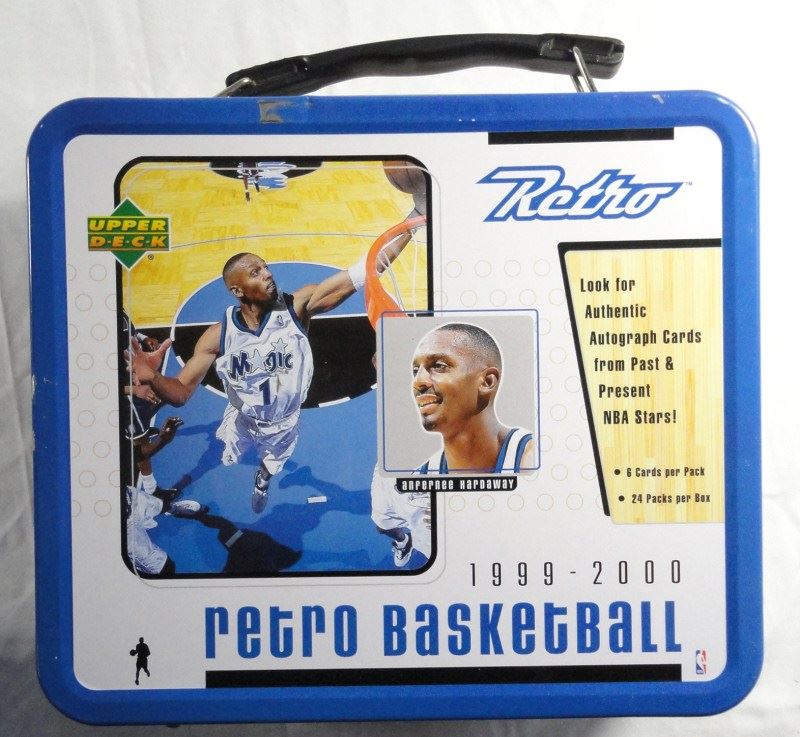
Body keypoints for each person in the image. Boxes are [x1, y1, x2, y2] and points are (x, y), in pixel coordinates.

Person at [130, 247, 404, 514]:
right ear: (237, 290)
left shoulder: (298, 306)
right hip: (241, 418)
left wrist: (412, 222)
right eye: (256, 272)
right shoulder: (218, 335)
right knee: (230, 456)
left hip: (283, 424)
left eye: (265, 267)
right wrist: (153, 377)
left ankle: (262, 479)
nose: (268, 274)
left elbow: (364, 271)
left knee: (270, 466)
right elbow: (180, 394)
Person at [411, 323, 534, 474]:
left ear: (487, 381)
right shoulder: (419, 480)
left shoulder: (534, 460)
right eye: (415, 370)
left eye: (439, 366)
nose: (418, 381)